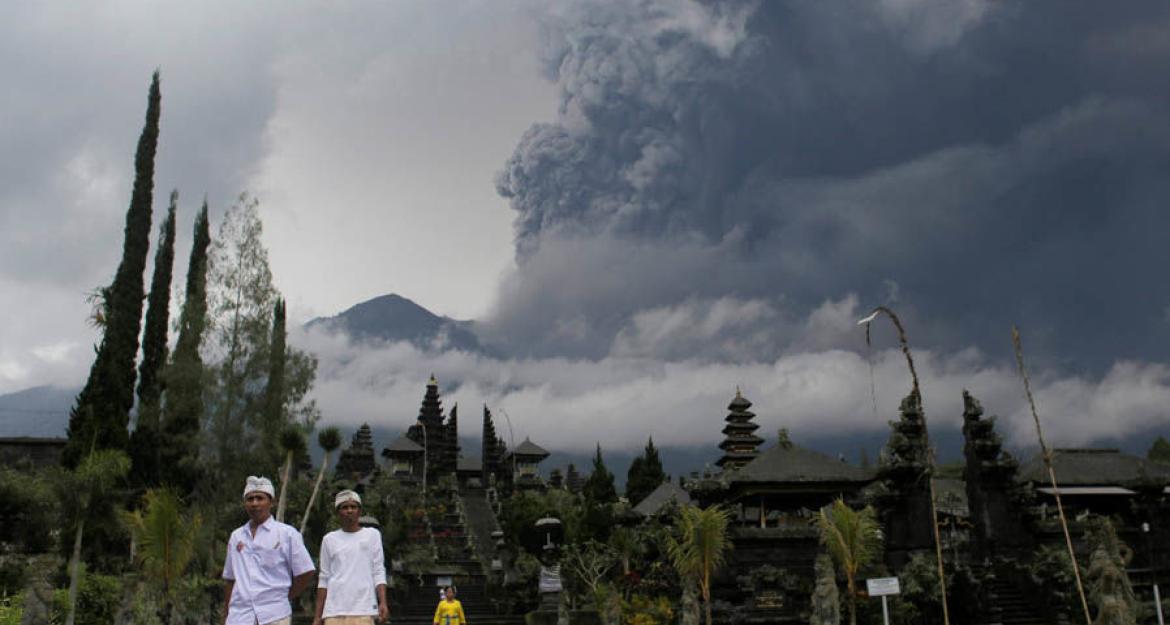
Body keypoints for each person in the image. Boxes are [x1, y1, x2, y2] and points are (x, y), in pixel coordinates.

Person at [222, 476, 316, 625]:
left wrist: (286, 596)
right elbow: (230, 579)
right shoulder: (236, 536)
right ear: (245, 503)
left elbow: (306, 571)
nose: (255, 503)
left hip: (275, 615)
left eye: (260, 498)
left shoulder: (287, 534)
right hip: (240, 616)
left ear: (271, 502)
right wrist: (226, 614)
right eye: (250, 499)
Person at [313, 490, 389, 625]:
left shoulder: (372, 535)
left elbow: (378, 570)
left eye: (353, 507)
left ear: (359, 511)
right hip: (334, 611)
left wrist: (383, 602)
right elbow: (324, 578)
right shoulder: (329, 539)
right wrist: (317, 617)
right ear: (338, 512)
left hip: (364, 609)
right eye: (345, 507)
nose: (349, 511)